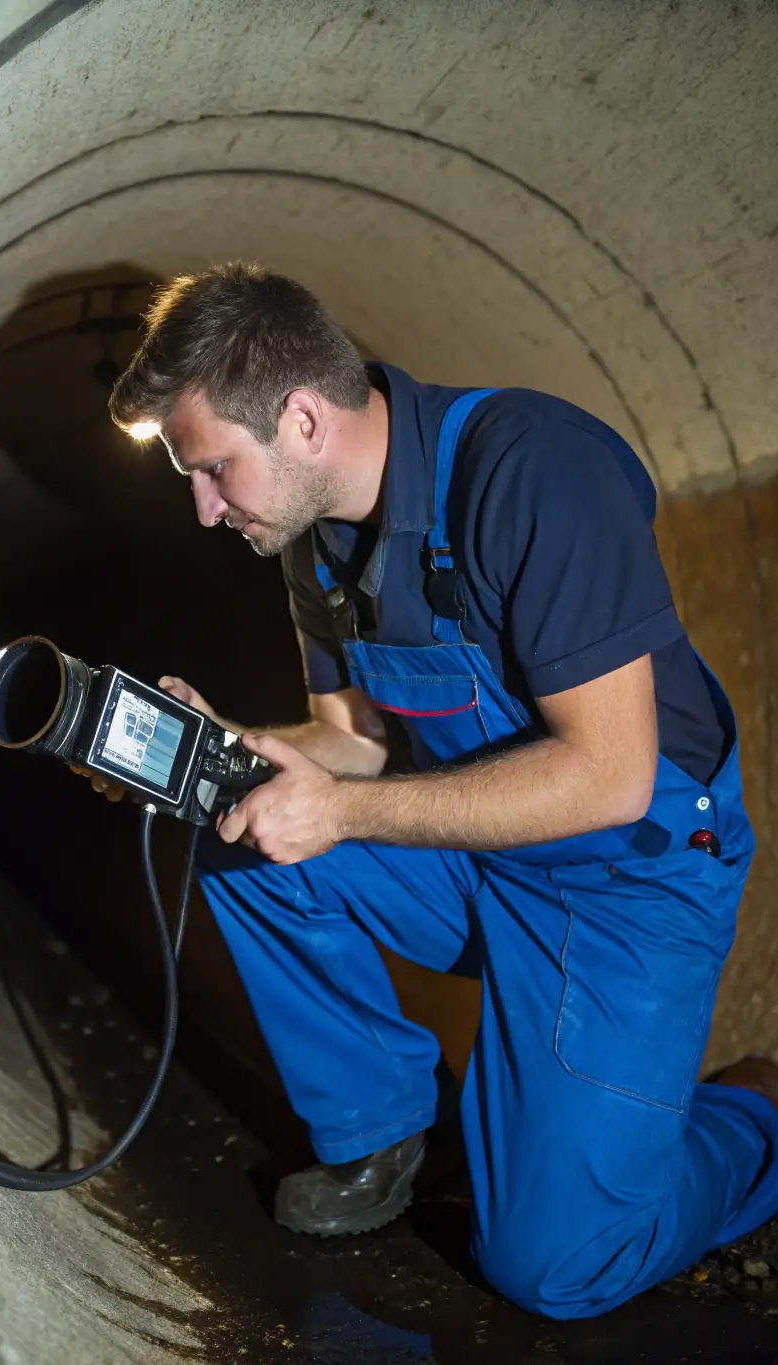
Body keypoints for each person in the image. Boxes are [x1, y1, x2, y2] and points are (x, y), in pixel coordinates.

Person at [92, 262, 777, 1320]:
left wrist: (340, 808)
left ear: (304, 420)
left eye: (216, 470)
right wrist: (222, 746)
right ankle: (374, 1138)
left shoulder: (530, 471)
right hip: (478, 856)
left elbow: (606, 774)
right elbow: (349, 746)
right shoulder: (308, 541)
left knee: (555, 1267)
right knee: (236, 819)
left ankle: (752, 1115)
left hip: (623, 879)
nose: (204, 508)